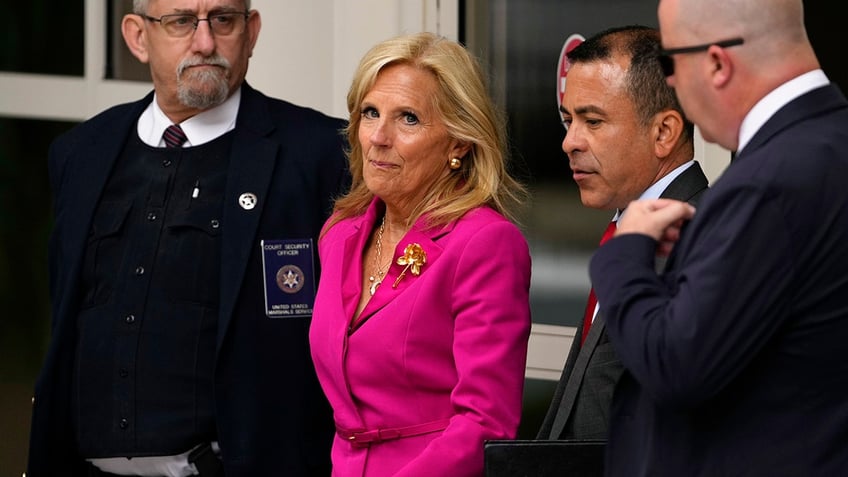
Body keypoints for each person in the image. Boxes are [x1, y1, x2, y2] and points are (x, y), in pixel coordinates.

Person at [26, 1, 349, 476]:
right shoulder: (81, 153)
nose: (204, 42)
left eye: (223, 20)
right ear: (137, 37)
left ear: (251, 31)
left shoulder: (319, 154)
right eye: (181, 21)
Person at [589, 0, 848, 474]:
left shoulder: (767, 182)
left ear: (715, 62)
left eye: (670, 62)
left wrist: (625, 254)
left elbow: (675, 364)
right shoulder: (828, 144)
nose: (669, 82)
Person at [308, 31, 532, 477]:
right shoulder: (340, 232)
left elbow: (486, 423)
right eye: (370, 113)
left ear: (459, 143)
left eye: (408, 119)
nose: (379, 137)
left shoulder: (485, 243)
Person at [537, 25, 708, 447]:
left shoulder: (701, 238)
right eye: (567, 120)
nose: (569, 142)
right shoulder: (626, 224)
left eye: (592, 121)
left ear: (664, 132)